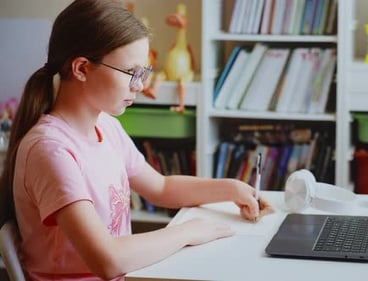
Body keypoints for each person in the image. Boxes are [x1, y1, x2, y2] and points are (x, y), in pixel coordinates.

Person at [0, 0, 272, 280]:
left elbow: (161, 187)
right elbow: (108, 260)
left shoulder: (107, 126)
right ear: (81, 68)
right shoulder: (50, 150)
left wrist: (230, 188)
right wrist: (189, 232)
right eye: (131, 72)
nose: (140, 85)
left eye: (143, 73)